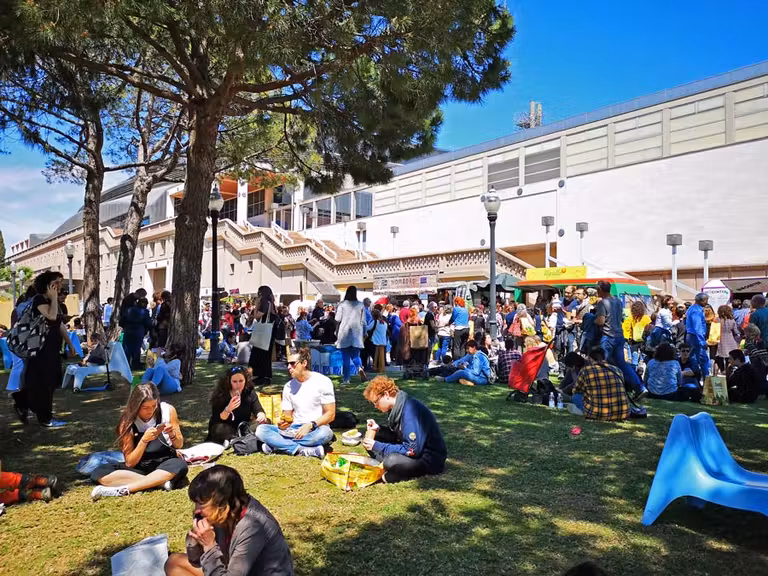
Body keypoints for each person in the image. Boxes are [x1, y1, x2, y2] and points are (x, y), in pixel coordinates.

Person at [165, 465, 293, 576]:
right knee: (174, 563)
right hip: (229, 569)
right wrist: (195, 538)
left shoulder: (252, 526)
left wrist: (209, 546)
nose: (196, 510)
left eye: (201, 504)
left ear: (222, 503)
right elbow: (195, 560)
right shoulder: (223, 513)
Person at [90, 383, 187, 500]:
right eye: (145, 408)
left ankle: (123, 490)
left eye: (154, 406)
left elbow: (179, 444)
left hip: (165, 462)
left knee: (179, 464)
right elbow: (130, 462)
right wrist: (144, 441)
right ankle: (158, 482)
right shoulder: (128, 421)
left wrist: (172, 434)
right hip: (140, 466)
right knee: (100, 472)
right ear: (136, 406)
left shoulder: (168, 410)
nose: (150, 411)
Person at [12, 271, 74, 427]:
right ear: (48, 284)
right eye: (57, 282)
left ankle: (22, 402)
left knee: (45, 381)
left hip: (51, 347)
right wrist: (53, 299)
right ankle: (44, 417)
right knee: (45, 382)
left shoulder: (52, 301)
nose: (60, 286)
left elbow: (59, 324)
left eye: (61, 282)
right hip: (40, 348)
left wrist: (70, 344)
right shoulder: (39, 300)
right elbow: (52, 317)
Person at [362, 376, 447, 483]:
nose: (375, 406)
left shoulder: (410, 412)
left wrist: (377, 446)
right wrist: (379, 429)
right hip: (414, 450)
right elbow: (399, 436)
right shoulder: (398, 406)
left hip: (429, 459)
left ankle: (394, 470)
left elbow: (411, 450)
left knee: (390, 460)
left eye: (376, 402)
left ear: (386, 395)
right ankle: (392, 469)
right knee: (373, 438)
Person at [255, 348, 335, 458]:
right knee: (261, 430)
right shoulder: (288, 386)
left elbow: (330, 414)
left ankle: (278, 445)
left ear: (304, 363)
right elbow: (288, 416)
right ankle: (303, 450)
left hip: (316, 427)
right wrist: (284, 423)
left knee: (325, 434)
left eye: (292, 363)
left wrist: (311, 425)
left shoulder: (323, 382)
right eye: (287, 364)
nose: (289, 367)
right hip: (293, 429)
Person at [595, 281, 647, 400]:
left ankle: (603, 390)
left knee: (603, 363)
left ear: (600, 289)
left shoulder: (602, 303)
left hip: (608, 336)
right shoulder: (618, 301)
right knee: (623, 364)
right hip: (619, 336)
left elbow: (601, 321)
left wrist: (590, 319)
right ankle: (640, 387)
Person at [207, 366, 267, 445]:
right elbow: (217, 418)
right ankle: (241, 438)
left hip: (243, 426)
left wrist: (261, 415)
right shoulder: (221, 394)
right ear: (229, 382)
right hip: (225, 426)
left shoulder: (249, 392)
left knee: (265, 422)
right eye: (234, 381)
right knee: (218, 429)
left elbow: (258, 409)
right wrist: (228, 409)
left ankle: (236, 439)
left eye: (241, 381)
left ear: (246, 381)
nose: (238, 385)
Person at [571, 346, 630, 421]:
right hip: (622, 413)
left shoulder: (586, 370)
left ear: (590, 358)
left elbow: (576, 391)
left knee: (576, 397)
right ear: (604, 357)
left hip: (597, 413)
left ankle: (587, 410)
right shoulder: (617, 370)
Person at [334, 285, 367, 383]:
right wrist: (365, 332)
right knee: (356, 355)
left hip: (344, 333)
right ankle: (359, 367)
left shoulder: (342, 304)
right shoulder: (361, 305)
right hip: (357, 333)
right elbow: (364, 321)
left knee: (345, 357)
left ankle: (346, 379)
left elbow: (337, 319)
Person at [248, 286, 277, 385]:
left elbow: (257, 316)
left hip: (263, 332)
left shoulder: (264, 303)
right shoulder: (271, 304)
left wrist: (256, 305)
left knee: (258, 354)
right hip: (269, 332)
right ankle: (265, 375)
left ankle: (260, 376)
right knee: (265, 354)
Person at [121, 293, 153, 369]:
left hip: (128, 330)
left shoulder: (129, 310)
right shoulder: (144, 312)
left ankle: (126, 364)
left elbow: (122, 320)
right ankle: (135, 364)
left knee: (127, 348)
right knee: (136, 349)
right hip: (138, 331)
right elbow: (148, 323)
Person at [685, 293, 710, 380]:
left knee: (693, 358)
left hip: (691, 336)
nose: (707, 302)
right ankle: (705, 380)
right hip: (695, 337)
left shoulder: (692, 308)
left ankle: (696, 379)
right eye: (706, 300)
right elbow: (697, 327)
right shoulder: (697, 310)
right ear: (701, 300)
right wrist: (702, 342)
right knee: (702, 360)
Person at [622, 300, 651, 368]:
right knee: (643, 357)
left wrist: (628, 338)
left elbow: (627, 329)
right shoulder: (646, 318)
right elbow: (649, 329)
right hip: (644, 341)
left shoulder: (630, 318)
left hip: (634, 341)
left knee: (634, 355)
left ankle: (634, 367)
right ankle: (642, 367)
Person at [714, 305, 741, 374]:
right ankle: (727, 376)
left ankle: (715, 375)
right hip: (730, 341)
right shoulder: (732, 320)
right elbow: (736, 332)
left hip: (719, 341)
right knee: (729, 360)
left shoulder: (717, 320)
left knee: (717, 360)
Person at [367, 308, 389, 374]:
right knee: (381, 357)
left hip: (375, 342)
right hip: (383, 342)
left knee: (375, 356)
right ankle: (381, 368)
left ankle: (375, 367)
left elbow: (368, 328)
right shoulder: (384, 323)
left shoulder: (375, 322)